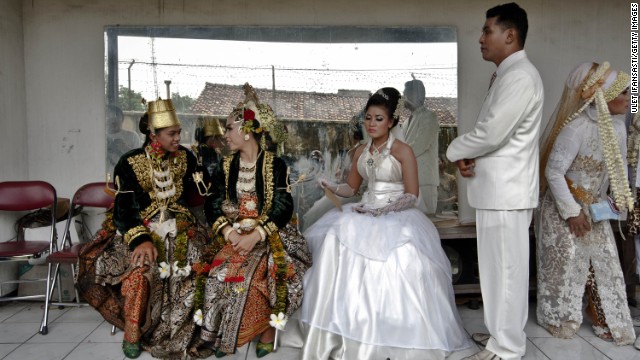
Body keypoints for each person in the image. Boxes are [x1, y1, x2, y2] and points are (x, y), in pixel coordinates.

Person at [296, 87, 471, 359]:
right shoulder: (360, 152)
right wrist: (329, 184)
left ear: (391, 122)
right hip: (365, 207)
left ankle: (399, 330)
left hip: (397, 212)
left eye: (378, 118)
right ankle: (346, 328)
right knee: (335, 240)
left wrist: (385, 210)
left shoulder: (403, 151)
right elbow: (350, 189)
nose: (372, 124)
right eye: (368, 118)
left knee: (404, 255)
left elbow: (412, 195)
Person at [77, 99, 217, 359]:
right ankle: (133, 332)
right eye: (172, 134)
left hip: (181, 226)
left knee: (200, 264)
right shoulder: (130, 162)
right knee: (140, 269)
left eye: (178, 133)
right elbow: (124, 209)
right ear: (153, 134)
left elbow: (200, 196)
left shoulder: (185, 157)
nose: (178, 138)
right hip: (140, 228)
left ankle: (192, 328)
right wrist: (140, 240)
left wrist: (205, 175)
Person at [445, 3, 544, 360]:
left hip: (507, 194)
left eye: (487, 31)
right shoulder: (507, 74)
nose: (481, 38)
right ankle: (501, 338)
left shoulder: (519, 76)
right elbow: (497, 138)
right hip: (498, 193)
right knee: (497, 273)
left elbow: (493, 133)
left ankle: (508, 349)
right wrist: (471, 157)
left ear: (510, 35)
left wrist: (455, 150)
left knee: (505, 275)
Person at [200, 83, 311, 358]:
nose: (224, 134)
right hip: (236, 233)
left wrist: (256, 235)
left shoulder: (275, 164)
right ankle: (223, 332)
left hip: (269, 234)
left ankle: (266, 330)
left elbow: (283, 205)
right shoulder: (225, 166)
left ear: (247, 131)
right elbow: (212, 202)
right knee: (217, 274)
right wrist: (229, 233)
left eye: (228, 128)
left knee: (261, 275)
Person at [537, 62, 636, 346]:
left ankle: (606, 318)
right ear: (605, 97)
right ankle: (559, 316)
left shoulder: (616, 129)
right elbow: (553, 172)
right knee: (567, 261)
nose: (630, 99)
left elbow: (613, 173)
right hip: (563, 208)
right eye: (626, 93)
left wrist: (613, 201)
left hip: (594, 208)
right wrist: (572, 213)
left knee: (605, 261)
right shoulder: (575, 129)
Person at [403, 78, 440, 214]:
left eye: (405, 93)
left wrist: (397, 154)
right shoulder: (407, 121)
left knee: (426, 221)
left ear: (414, 95)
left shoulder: (429, 116)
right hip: (408, 180)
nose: (403, 97)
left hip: (424, 181)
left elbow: (420, 144)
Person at [106, 104, 142, 172]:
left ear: (122, 119)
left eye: (117, 115)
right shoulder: (101, 138)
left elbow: (139, 159)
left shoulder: (132, 136)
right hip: (105, 177)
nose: (114, 119)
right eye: (109, 116)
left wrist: (125, 148)